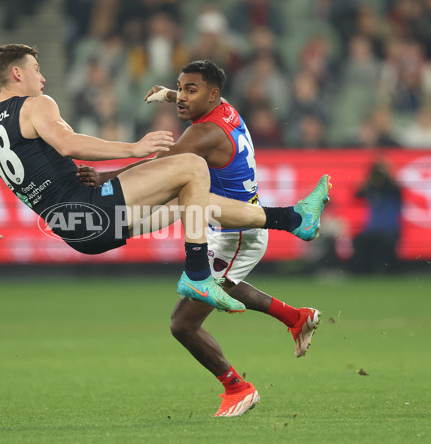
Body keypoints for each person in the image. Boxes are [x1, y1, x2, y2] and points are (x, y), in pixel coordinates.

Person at [78, 60, 331, 417]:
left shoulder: (204, 134)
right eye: (179, 88)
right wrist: (168, 95)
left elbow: (157, 168)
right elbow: (190, 100)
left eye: (189, 91)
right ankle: (296, 318)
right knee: (222, 282)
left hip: (236, 232)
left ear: (213, 94)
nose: (181, 97)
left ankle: (238, 388)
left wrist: (107, 177)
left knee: (183, 324)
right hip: (220, 220)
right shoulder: (224, 109)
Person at [0, 43, 263, 315]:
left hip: (74, 231)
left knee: (186, 198)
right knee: (192, 167)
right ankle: (197, 274)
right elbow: (68, 144)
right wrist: (133, 148)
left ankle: (283, 220)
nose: (42, 78)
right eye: (36, 70)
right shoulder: (35, 105)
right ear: (17, 74)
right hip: (93, 205)